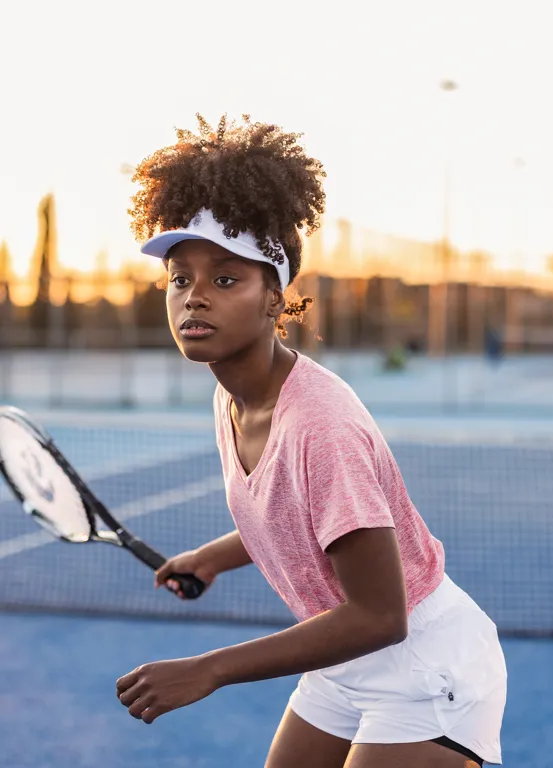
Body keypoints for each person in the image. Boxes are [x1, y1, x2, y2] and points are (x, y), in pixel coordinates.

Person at [116, 115, 507, 767]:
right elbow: (299, 514)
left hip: (422, 663)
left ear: (276, 298)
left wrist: (209, 669)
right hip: (344, 659)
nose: (195, 299)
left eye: (226, 278)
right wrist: (214, 556)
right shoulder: (232, 396)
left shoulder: (319, 423)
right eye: (180, 278)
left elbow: (382, 615)